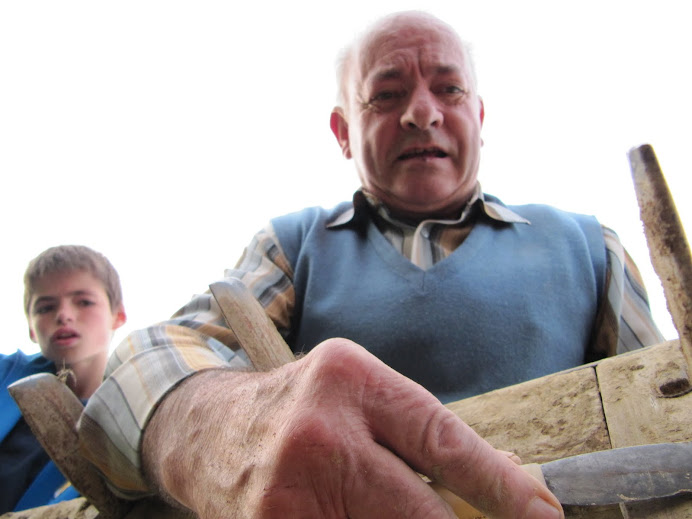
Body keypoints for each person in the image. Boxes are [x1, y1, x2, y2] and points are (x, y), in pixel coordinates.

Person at [78, 11, 663, 519]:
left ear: (479, 116)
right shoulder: (293, 246)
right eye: (386, 94)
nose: (421, 114)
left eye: (449, 89)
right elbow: (147, 359)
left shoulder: (589, 247)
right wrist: (227, 428)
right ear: (342, 131)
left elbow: (664, 411)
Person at [0, 245, 126, 514]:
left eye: (84, 302)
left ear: (118, 316)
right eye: (46, 307)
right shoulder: (6, 374)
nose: (64, 315)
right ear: (32, 329)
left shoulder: (126, 420)